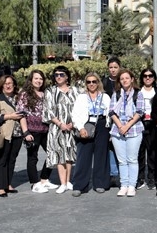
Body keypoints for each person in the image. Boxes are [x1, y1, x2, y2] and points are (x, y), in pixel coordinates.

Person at [70, 72, 111, 196]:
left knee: (101, 155)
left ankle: (100, 183)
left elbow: (110, 112)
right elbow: (75, 114)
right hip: (86, 124)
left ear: (98, 83)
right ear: (86, 84)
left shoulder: (105, 97)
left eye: (94, 81)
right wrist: (80, 127)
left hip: (102, 125)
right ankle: (79, 185)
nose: (91, 84)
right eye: (89, 82)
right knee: (83, 156)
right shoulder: (81, 97)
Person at [17, 70, 56, 193]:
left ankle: (44, 179)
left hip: (45, 129)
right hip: (32, 130)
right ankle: (35, 183)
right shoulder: (25, 94)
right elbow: (21, 114)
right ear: (31, 80)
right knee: (33, 157)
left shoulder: (45, 93)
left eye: (41, 79)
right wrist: (26, 132)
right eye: (36, 78)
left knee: (53, 153)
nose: (38, 81)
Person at [108, 69, 145, 197]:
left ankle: (131, 185)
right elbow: (112, 112)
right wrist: (120, 126)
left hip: (134, 130)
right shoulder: (116, 94)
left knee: (132, 159)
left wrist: (127, 125)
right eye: (122, 78)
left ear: (132, 79)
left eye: (127, 78)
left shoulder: (138, 94)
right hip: (117, 131)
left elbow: (140, 112)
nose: (124, 80)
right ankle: (123, 185)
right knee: (122, 160)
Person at [0, 75, 25, 197]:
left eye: (10, 83)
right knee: (1, 160)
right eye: (5, 83)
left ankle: (8, 183)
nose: (8, 86)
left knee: (12, 160)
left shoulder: (19, 98)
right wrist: (9, 116)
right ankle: (0, 187)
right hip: (3, 134)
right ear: (1, 86)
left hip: (18, 134)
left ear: (14, 85)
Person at [43, 65, 78, 194]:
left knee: (69, 154)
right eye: (56, 75)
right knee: (59, 154)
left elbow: (79, 108)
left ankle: (68, 181)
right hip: (56, 128)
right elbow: (48, 110)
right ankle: (62, 183)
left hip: (72, 127)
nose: (58, 77)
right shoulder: (50, 91)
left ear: (67, 76)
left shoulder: (75, 91)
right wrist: (60, 124)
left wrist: (72, 123)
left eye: (61, 74)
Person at [137, 68, 157, 190]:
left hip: (153, 124)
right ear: (142, 78)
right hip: (139, 123)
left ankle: (152, 177)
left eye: (150, 75)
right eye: (145, 75)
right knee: (139, 152)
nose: (147, 78)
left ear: (154, 78)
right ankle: (140, 177)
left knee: (152, 152)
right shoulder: (137, 92)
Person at [103, 57, 121, 188]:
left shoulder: (124, 80)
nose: (113, 70)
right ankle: (112, 175)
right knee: (109, 147)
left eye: (115, 67)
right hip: (108, 119)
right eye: (111, 67)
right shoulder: (104, 82)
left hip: (122, 119)